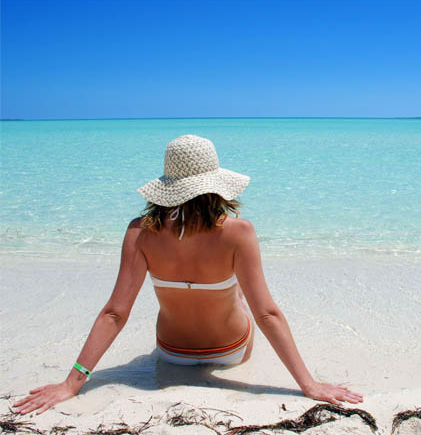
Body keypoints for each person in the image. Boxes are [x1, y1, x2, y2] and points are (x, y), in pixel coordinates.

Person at [13, 134, 363, 415]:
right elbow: (267, 314)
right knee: (237, 293)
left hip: (171, 352)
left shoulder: (140, 232)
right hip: (231, 350)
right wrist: (309, 385)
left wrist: (72, 383)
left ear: (167, 187)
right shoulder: (239, 232)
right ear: (215, 185)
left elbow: (114, 313)